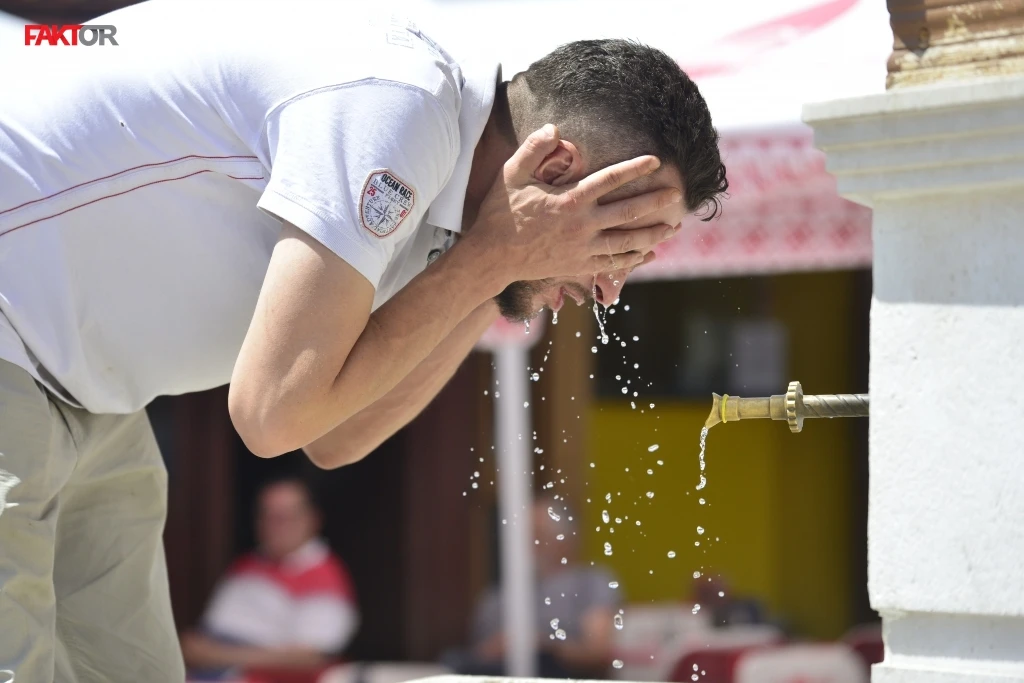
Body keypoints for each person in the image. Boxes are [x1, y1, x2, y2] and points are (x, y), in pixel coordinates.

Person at [0, 1, 726, 680]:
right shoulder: (401, 106)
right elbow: (272, 413)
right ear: (556, 170)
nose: (609, 288)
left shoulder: (456, 209)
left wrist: (492, 272)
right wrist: (494, 259)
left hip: (90, 395)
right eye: (617, 245)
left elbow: (335, 436)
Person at [181, 478, 358, 681]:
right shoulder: (246, 564)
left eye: (286, 517)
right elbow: (208, 632)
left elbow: (311, 657)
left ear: (313, 519)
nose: (276, 526)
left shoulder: (325, 575)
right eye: (268, 516)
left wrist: (220, 655)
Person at [446, 498, 621, 678]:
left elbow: (597, 652)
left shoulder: (591, 582)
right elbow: (477, 656)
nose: (525, 543)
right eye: (520, 535)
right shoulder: (498, 593)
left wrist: (538, 645)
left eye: (537, 535)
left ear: (565, 540)